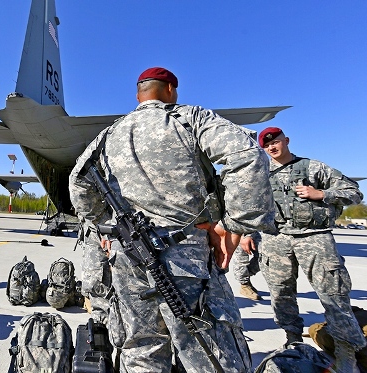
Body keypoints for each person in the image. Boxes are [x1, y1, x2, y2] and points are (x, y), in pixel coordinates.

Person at [69, 67, 275, 372]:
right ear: (169, 90)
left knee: (141, 351)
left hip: (127, 258)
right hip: (185, 255)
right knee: (209, 353)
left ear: (138, 94)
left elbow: (78, 182)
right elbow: (247, 155)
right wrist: (233, 227)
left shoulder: (109, 134)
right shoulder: (188, 118)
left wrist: (106, 226)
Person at [247, 126, 365, 372]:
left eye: (275, 141)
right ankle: (293, 341)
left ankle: (346, 353)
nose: (271, 146)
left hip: (314, 238)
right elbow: (251, 206)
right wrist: (248, 233)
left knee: (333, 295)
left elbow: (354, 192)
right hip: (275, 239)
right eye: (266, 144)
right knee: (281, 295)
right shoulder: (260, 174)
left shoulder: (313, 168)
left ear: (286, 140)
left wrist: (321, 193)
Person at [233, 231, 263, 300]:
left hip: (253, 230)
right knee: (241, 258)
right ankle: (244, 285)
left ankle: (245, 275)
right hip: (238, 230)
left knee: (264, 255)